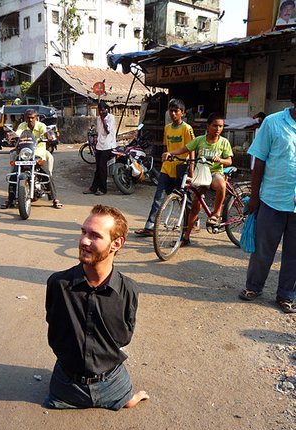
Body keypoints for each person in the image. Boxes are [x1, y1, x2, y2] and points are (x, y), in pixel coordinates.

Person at [45, 204, 149, 410]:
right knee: (53, 402)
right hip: (67, 381)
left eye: (95, 236)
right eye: (83, 232)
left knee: (128, 402)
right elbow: (55, 332)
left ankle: (122, 396)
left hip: (111, 379)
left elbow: (123, 337)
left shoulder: (128, 290)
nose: (84, 240)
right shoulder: (58, 284)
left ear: (116, 243)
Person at [239, 87, 296, 314]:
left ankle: (286, 295)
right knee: (263, 250)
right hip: (272, 199)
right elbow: (259, 160)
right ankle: (254, 287)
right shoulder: (273, 123)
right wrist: (254, 197)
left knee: (294, 254)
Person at [166, 112, 233, 246]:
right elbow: (184, 149)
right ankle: (185, 237)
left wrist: (220, 159)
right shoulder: (200, 140)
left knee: (221, 185)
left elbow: (229, 161)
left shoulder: (224, 142)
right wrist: (169, 153)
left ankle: (216, 213)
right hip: (201, 175)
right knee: (195, 208)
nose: (218, 129)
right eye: (215, 126)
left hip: (214, 173)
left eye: (221, 126)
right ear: (208, 126)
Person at [134, 98, 195, 237]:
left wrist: (191, 167)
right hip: (167, 168)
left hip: (182, 167)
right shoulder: (167, 128)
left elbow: (192, 148)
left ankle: (192, 222)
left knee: (185, 198)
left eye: (176, 111)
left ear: (182, 113)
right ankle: (149, 227)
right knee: (158, 197)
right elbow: (167, 146)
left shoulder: (187, 128)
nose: (173, 114)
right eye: (171, 111)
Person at [1, 108, 62, 209]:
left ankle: (54, 199)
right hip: (25, 154)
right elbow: (18, 133)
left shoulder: (41, 126)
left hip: (38, 154)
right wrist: (11, 135)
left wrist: (49, 135)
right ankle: (10, 199)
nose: (30, 120)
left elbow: (45, 132)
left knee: (47, 174)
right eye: (28, 118)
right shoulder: (22, 126)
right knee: (14, 175)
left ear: (36, 118)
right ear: (25, 118)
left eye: (32, 118)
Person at [83, 101, 116, 196]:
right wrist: (95, 139)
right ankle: (93, 188)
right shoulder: (98, 119)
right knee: (98, 168)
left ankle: (103, 189)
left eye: (102, 110)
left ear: (106, 109)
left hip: (108, 145)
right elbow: (100, 132)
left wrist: (103, 119)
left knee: (102, 167)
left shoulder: (111, 118)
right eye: (99, 111)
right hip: (99, 145)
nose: (101, 112)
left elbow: (107, 131)